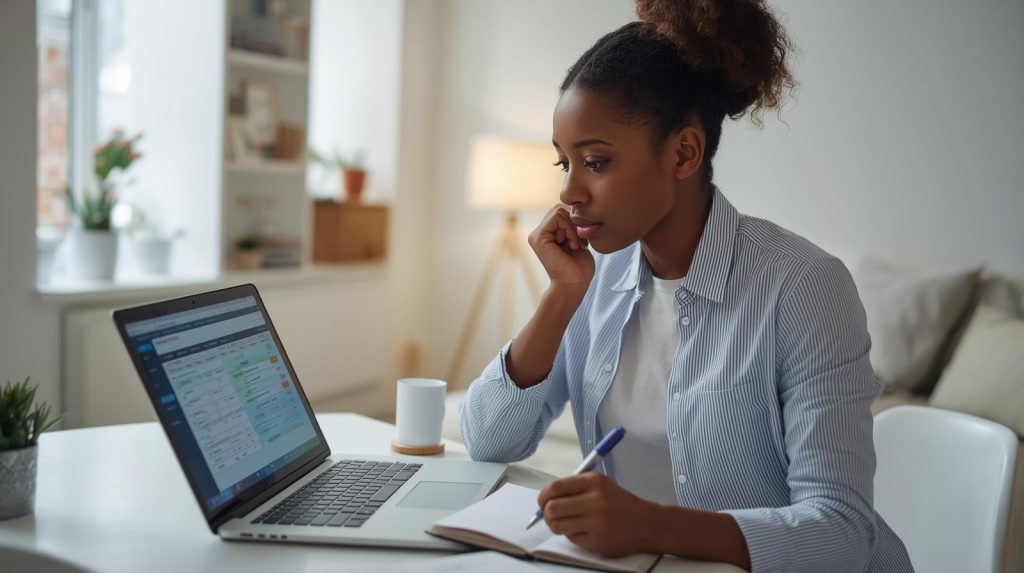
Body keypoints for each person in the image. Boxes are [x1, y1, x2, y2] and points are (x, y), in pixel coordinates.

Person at [459, 1, 915, 571]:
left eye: (596, 163)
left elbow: (841, 534)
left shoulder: (804, 287)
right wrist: (560, 296)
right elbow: (484, 440)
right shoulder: (594, 281)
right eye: (564, 165)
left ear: (683, 153)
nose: (570, 192)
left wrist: (649, 524)